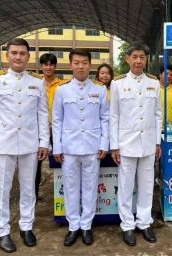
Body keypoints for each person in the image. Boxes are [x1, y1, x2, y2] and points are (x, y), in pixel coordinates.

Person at [0, 38, 50, 253]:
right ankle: (2, 231)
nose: (18, 57)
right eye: (14, 53)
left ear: (29, 57)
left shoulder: (37, 82)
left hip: (30, 144)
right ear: (7, 56)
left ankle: (26, 227)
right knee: (2, 189)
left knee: (29, 189)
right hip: (3, 144)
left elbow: (42, 114)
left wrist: (43, 142)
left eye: (22, 53)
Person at [52, 49, 109, 246]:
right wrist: (57, 147)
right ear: (70, 65)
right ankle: (73, 226)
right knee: (70, 188)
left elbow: (105, 119)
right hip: (69, 147)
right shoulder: (62, 90)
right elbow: (57, 120)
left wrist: (104, 143)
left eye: (84, 62)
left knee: (90, 188)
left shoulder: (100, 90)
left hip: (93, 147)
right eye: (76, 63)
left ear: (90, 65)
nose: (80, 66)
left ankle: (86, 226)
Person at [110, 43, 162, 246]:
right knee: (125, 185)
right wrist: (114, 145)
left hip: (148, 143)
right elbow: (114, 116)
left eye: (142, 57)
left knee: (147, 185)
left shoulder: (154, 83)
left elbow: (158, 114)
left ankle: (144, 222)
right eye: (135, 57)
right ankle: (127, 225)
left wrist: (157, 142)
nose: (139, 61)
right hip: (126, 143)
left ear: (146, 60)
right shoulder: (118, 84)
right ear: (128, 59)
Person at [36, 53, 65, 200]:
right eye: (45, 64)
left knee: (62, 157)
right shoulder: (35, 84)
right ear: (41, 66)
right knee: (36, 160)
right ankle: (33, 192)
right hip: (38, 129)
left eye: (51, 64)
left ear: (55, 66)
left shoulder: (63, 85)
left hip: (58, 128)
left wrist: (56, 124)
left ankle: (63, 188)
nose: (48, 67)